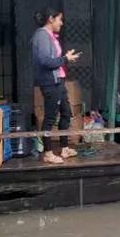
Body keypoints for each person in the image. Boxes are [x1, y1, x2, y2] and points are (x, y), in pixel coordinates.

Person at [31, 8, 81, 164]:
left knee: (66, 113)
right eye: (59, 19)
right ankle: (47, 152)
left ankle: (64, 148)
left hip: (59, 80)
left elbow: (53, 59)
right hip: (50, 83)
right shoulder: (41, 36)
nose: (61, 23)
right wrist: (65, 59)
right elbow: (45, 61)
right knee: (50, 117)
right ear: (51, 19)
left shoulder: (50, 36)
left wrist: (66, 58)